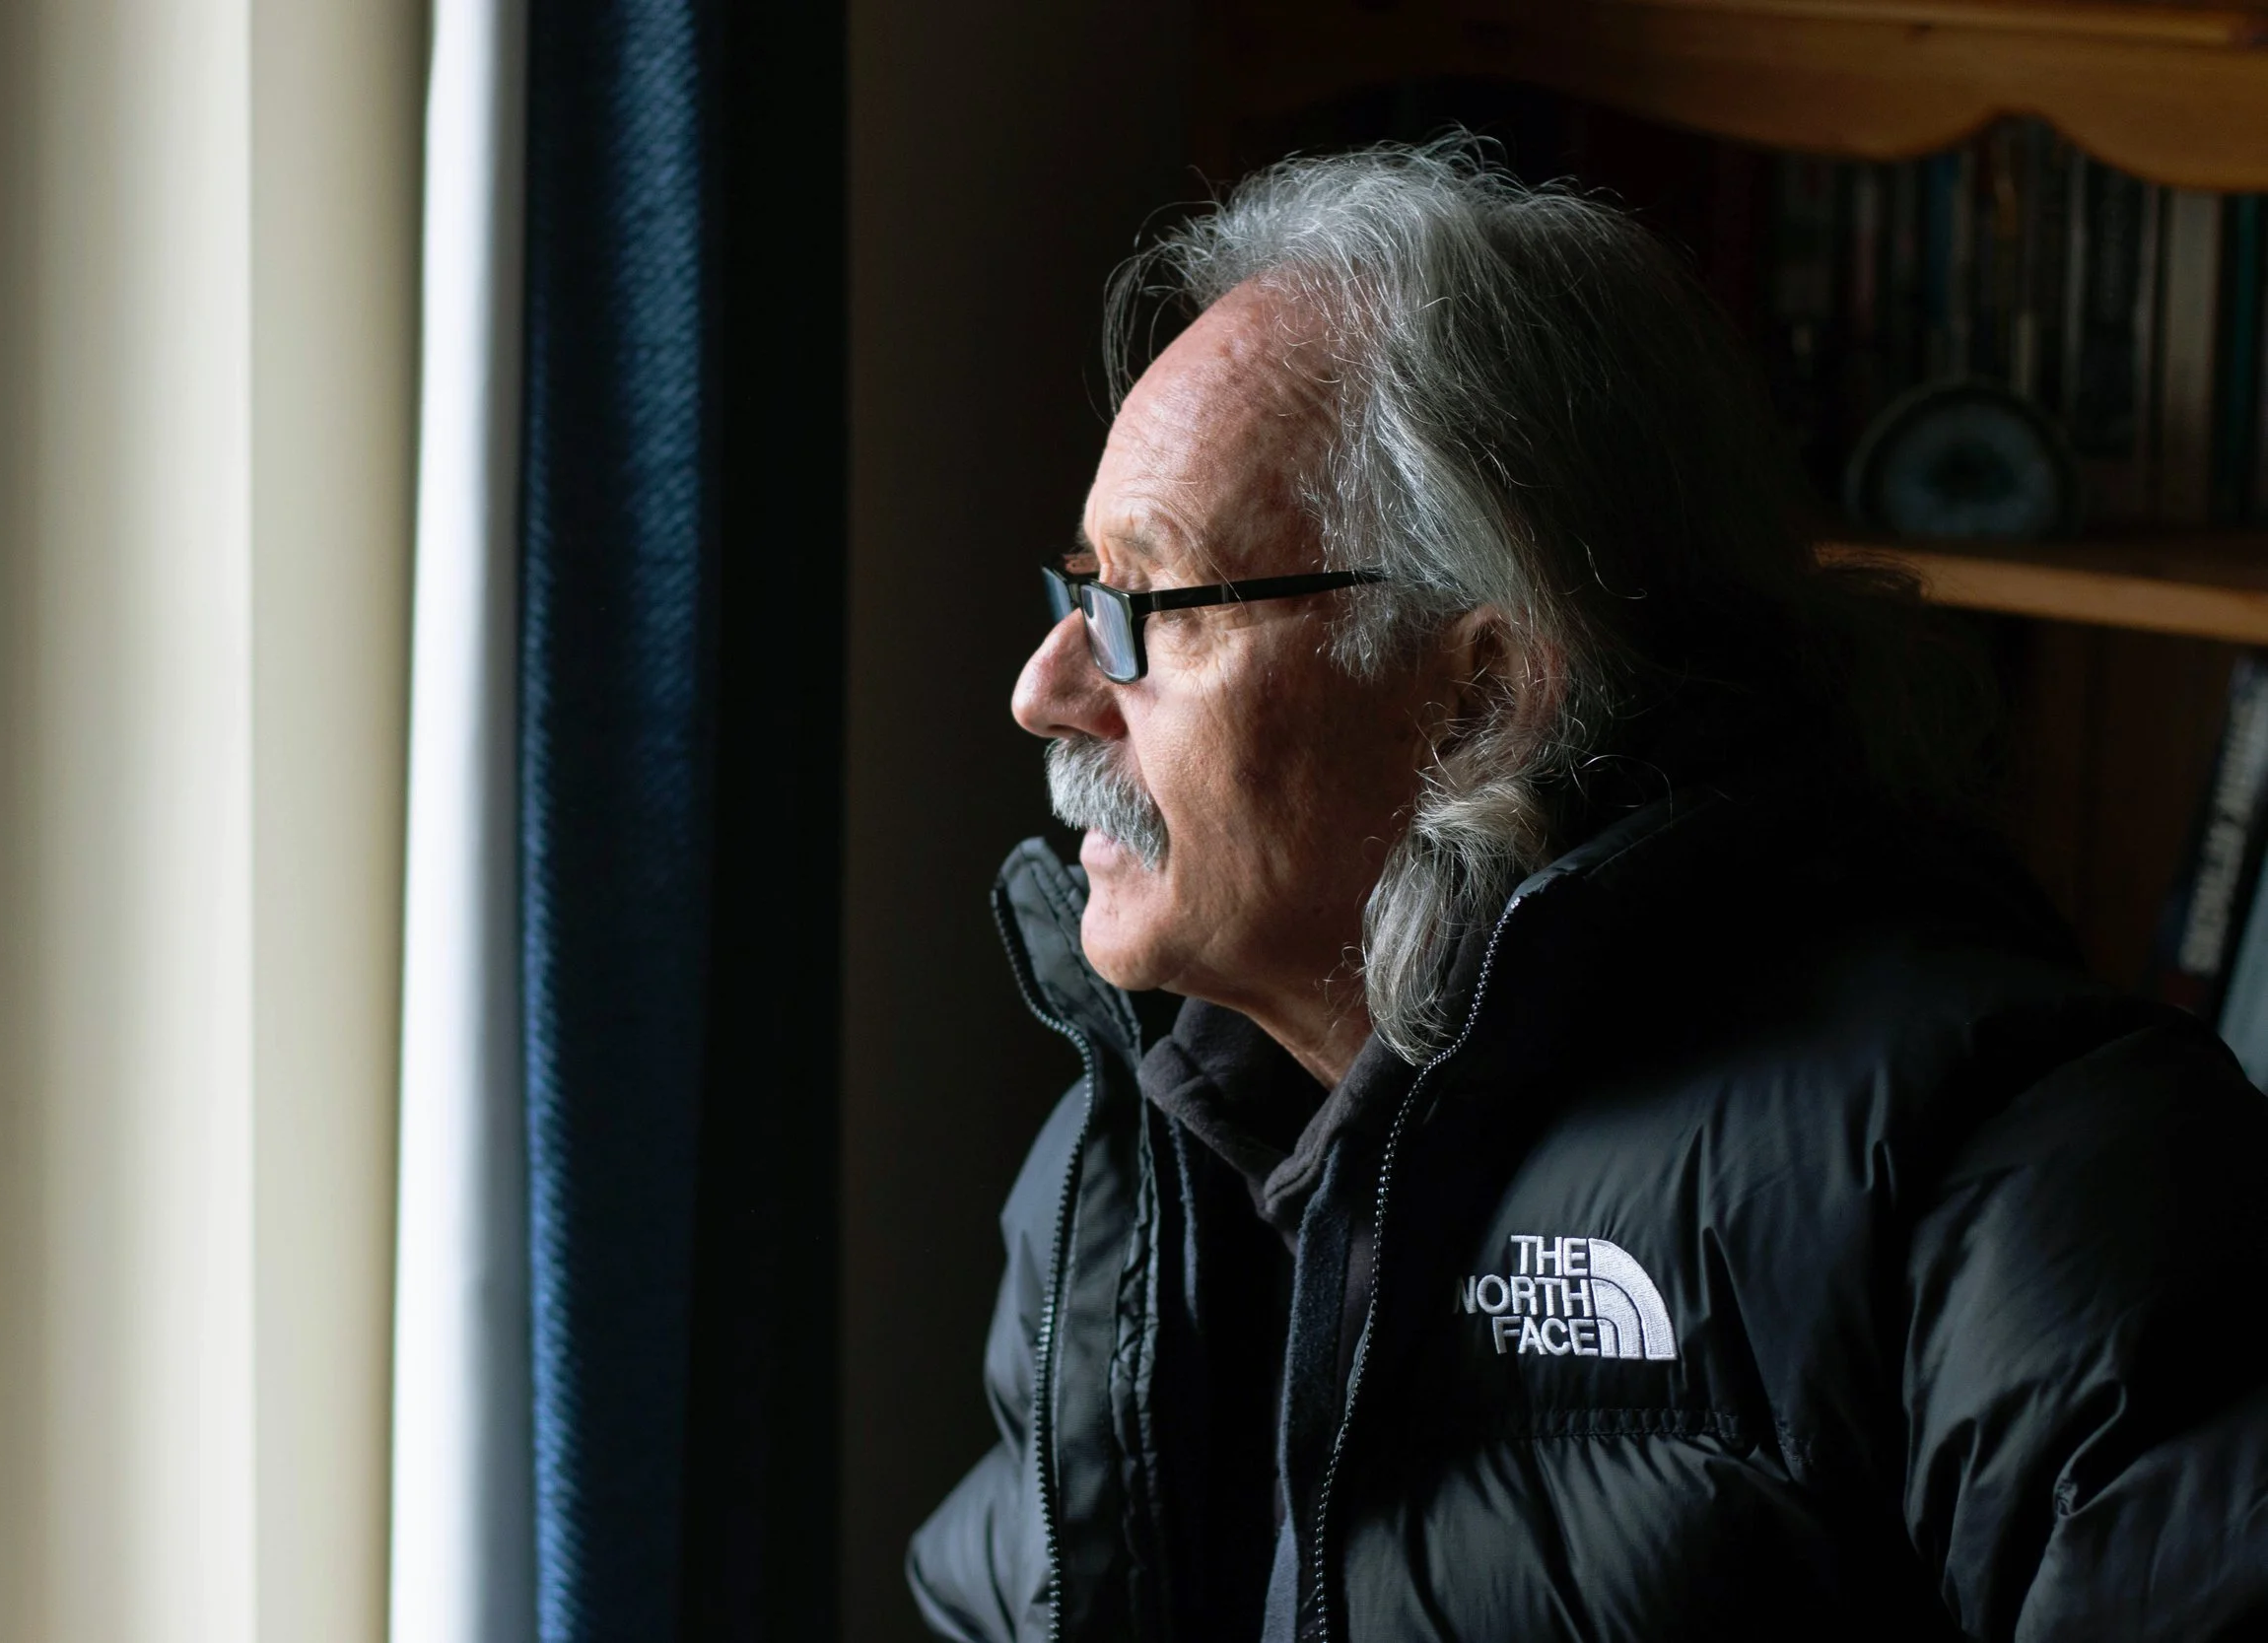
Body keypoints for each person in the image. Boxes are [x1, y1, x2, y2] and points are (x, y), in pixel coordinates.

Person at [903, 139, 2268, 1643]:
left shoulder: (2021, 1168)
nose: (1048, 690)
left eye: (1139, 607)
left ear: (1480, 697)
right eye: (1072, 590)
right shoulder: (1126, 1158)